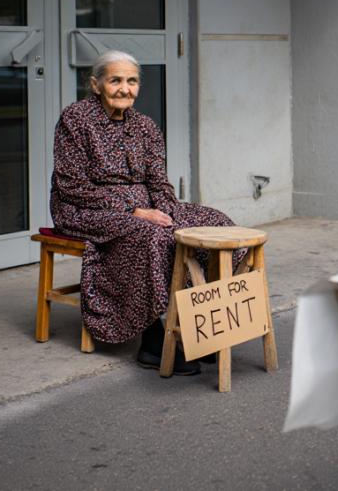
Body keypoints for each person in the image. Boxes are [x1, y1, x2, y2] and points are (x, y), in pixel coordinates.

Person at [50, 50, 240, 376]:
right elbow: (72, 185)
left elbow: (159, 182)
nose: (125, 88)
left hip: (147, 207)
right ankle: (153, 341)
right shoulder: (76, 119)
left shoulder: (145, 126)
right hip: (84, 207)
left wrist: (167, 211)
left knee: (215, 222)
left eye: (132, 81)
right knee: (150, 234)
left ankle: (201, 327)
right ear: (96, 85)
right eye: (115, 80)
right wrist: (134, 210)